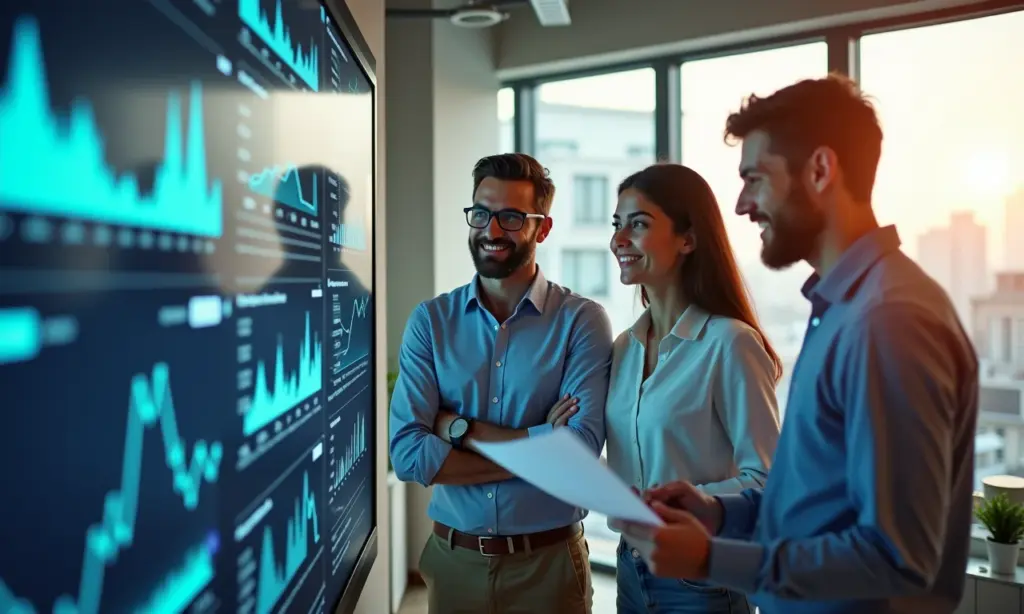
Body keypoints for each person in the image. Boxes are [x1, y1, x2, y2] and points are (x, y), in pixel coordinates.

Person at [618, 74, 979, 614]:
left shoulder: (887, 321)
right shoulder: (840, 310)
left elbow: (896, 558)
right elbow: (817, 500)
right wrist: (719, 513)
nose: (741, 205)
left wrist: (712, 560)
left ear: (820, 170)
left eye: (755, 179)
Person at [388, 153, 614, 614]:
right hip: (454, 564)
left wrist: (459, 430)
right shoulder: (431, 322)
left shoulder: (581, 322)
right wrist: (538, 445)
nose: (491, 231)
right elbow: (409, 455)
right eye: (482, 213)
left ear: (543, 229)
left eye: (511, 218)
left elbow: (580, 451)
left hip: (548, 568)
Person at [605, 163, 781, 614]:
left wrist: (684, 504)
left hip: (701, 581)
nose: (619, 240)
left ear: (688, 238)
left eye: (638, 225)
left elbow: (766, 481)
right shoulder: (623, 348)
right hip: (630, 566)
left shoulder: (730, 343)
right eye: (616, 225)